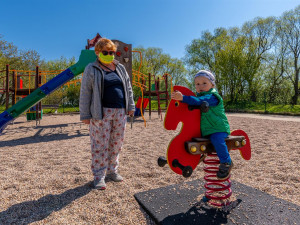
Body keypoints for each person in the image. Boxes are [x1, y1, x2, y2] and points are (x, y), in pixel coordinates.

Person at [79, 38, 135, 190]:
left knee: (116, 143)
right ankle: (99, 176)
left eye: (112, 52)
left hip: (120, 112)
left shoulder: (120, 68)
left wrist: (131, 105)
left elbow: (128, 88)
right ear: (97, 53)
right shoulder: (92, 68)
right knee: (100, 145)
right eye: (106, 52)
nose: (110, 54)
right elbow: (85, 92)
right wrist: (85, 115)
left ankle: (112, 171)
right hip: (100, 112)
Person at [171, 70, 232, 180]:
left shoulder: (213, 97)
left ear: (212, 84)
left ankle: (226, 162)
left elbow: (200, 101)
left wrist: (183, 98)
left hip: (218, 129)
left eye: (204, 83)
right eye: (197, 84)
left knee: (217, 139)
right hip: (207, 130)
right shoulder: (199, 96)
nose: (201, 86)